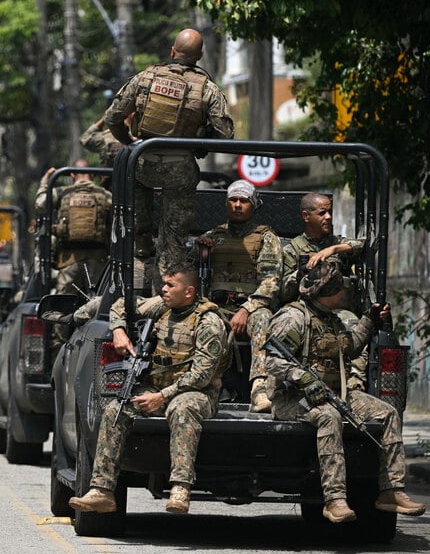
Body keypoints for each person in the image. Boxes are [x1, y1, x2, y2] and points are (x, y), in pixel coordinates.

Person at [265, 258, 425, 523]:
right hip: (294, 400)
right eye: (340, 287)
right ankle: (335, 499)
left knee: (387, 414)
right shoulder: (293, 317)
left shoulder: (329, 319)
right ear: (328, 292)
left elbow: (348, 347)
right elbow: (272, 361)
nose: (344, 292)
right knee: (329, 417)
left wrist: (369, 320)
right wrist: (304, 379)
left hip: (334, 392)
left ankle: (391, 491)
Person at [68, 261, 230, 515]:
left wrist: (161, 396)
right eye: (163, 284)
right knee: (115, 409)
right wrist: (118, 330)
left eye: (170, 285)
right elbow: (122, 304)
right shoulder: (163, 307)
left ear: (189, 292)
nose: (163, 290)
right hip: (157, 390)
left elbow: (202, 375)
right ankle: (102, 490)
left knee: (182, 408)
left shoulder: (209, 322)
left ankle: (180, 487)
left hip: (197, 394)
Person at [105, 27, 234, 270]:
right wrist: (202, 139)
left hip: (142, 163)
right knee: (174, 239)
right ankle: (167, 276)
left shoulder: (145, 78)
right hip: (180, 169)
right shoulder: (206, 88)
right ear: (200, 56)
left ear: (173, 51)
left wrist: (129, 143)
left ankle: (142, 246)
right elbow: (226, 132)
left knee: (134, 198)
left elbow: (113, 117)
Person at [195, 180, 281, 412]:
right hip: (217, 306)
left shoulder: (266, 238)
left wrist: (246, 309)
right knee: (203, 320)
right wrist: (200, 254)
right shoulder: (212, 236)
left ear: (254, 205)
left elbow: (271, 281)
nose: (238, 205)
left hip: (251, 307)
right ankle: (207, 385)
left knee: (263, 318)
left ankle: (259, 390)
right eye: (233, 200)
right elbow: (187, 276)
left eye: (244, 201)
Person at [35, 162, 112, 297]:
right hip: (97, 259)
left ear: (72, 175)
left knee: (62, 304)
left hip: (69, 259)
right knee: (96, 302)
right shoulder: (105, 195)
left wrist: (45, 181)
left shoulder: (62, 192)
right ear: (92, 175)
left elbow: (40, 205)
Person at [280, 192, 364, 305]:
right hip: (307, 310)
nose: (328, 217)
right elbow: (283, 293)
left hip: (338, 310)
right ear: (306, 216)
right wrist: (303, 272)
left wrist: (333, 249)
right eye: (322, 213)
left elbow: (366, 244)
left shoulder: (337, 243)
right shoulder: (292, 250)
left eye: (330, 212)